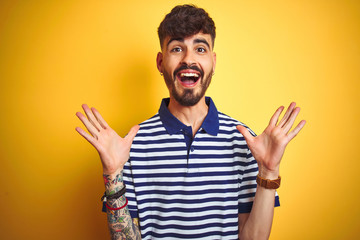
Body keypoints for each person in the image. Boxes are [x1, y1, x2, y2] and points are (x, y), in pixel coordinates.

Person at [75, 4, 306, 240]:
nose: (189, 59)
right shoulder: (131, 145)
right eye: (177, 48)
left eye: (200, 49)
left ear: (213, 62)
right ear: (160, 62)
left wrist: (268, 170)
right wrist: (112, 173)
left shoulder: (246, 141)